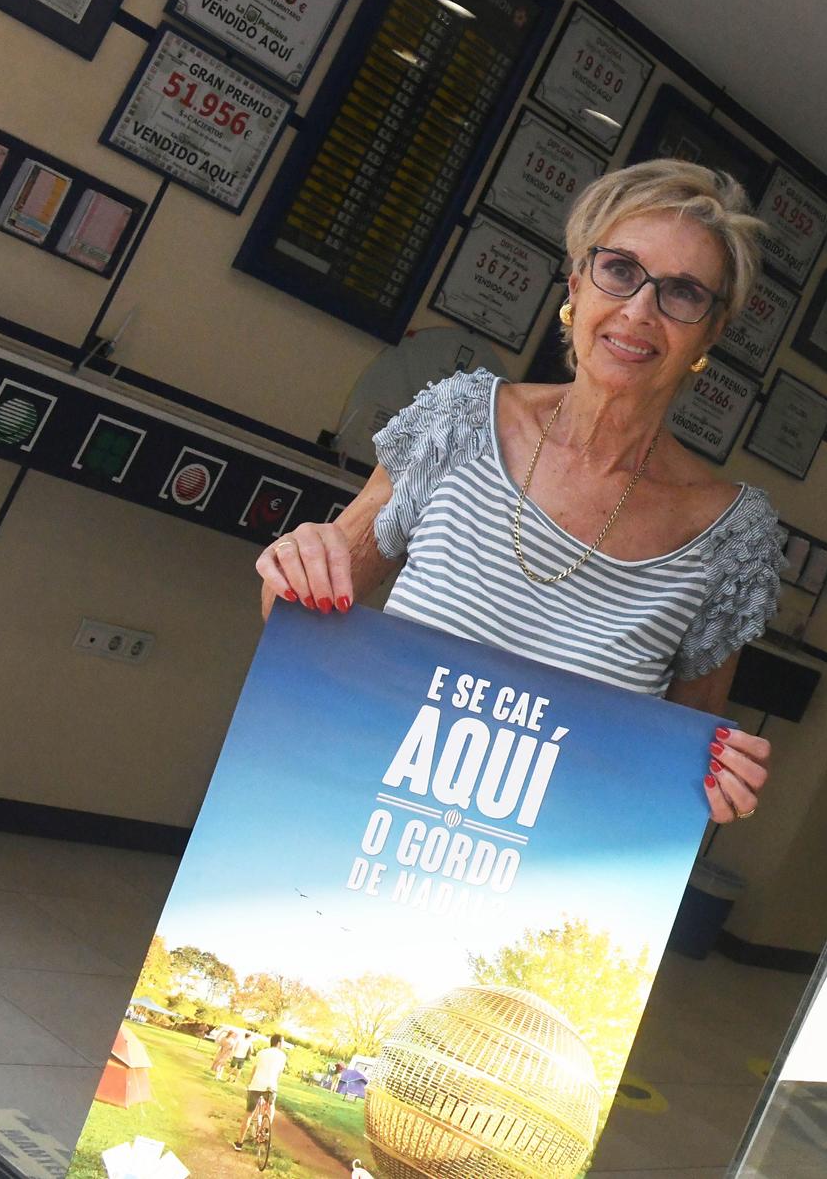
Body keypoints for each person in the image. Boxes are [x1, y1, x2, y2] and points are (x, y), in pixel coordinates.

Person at [254, 162, 782, 822]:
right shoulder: (461, 420)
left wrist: (712, 786)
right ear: (577, 285)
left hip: (534, 885)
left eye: (681, 292)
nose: (640, 309)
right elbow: (293, 615)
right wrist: (296, 560)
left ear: (710, 332)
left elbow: (678, 768)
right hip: (353, 817)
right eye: (620, 269)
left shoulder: (729, 532)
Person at [233, 1033, 288, 1149]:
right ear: (278, 1043)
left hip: (256, 1085)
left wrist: (250, 1083)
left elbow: (254, 1069)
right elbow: (279, 1074)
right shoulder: (282, 1056)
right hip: (270, 1086)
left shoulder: (261, 1053)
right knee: (271, 1106)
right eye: (282, 1042)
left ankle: (239, 1143)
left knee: (248, 1115)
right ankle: (266, 1130)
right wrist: (275, 1085)